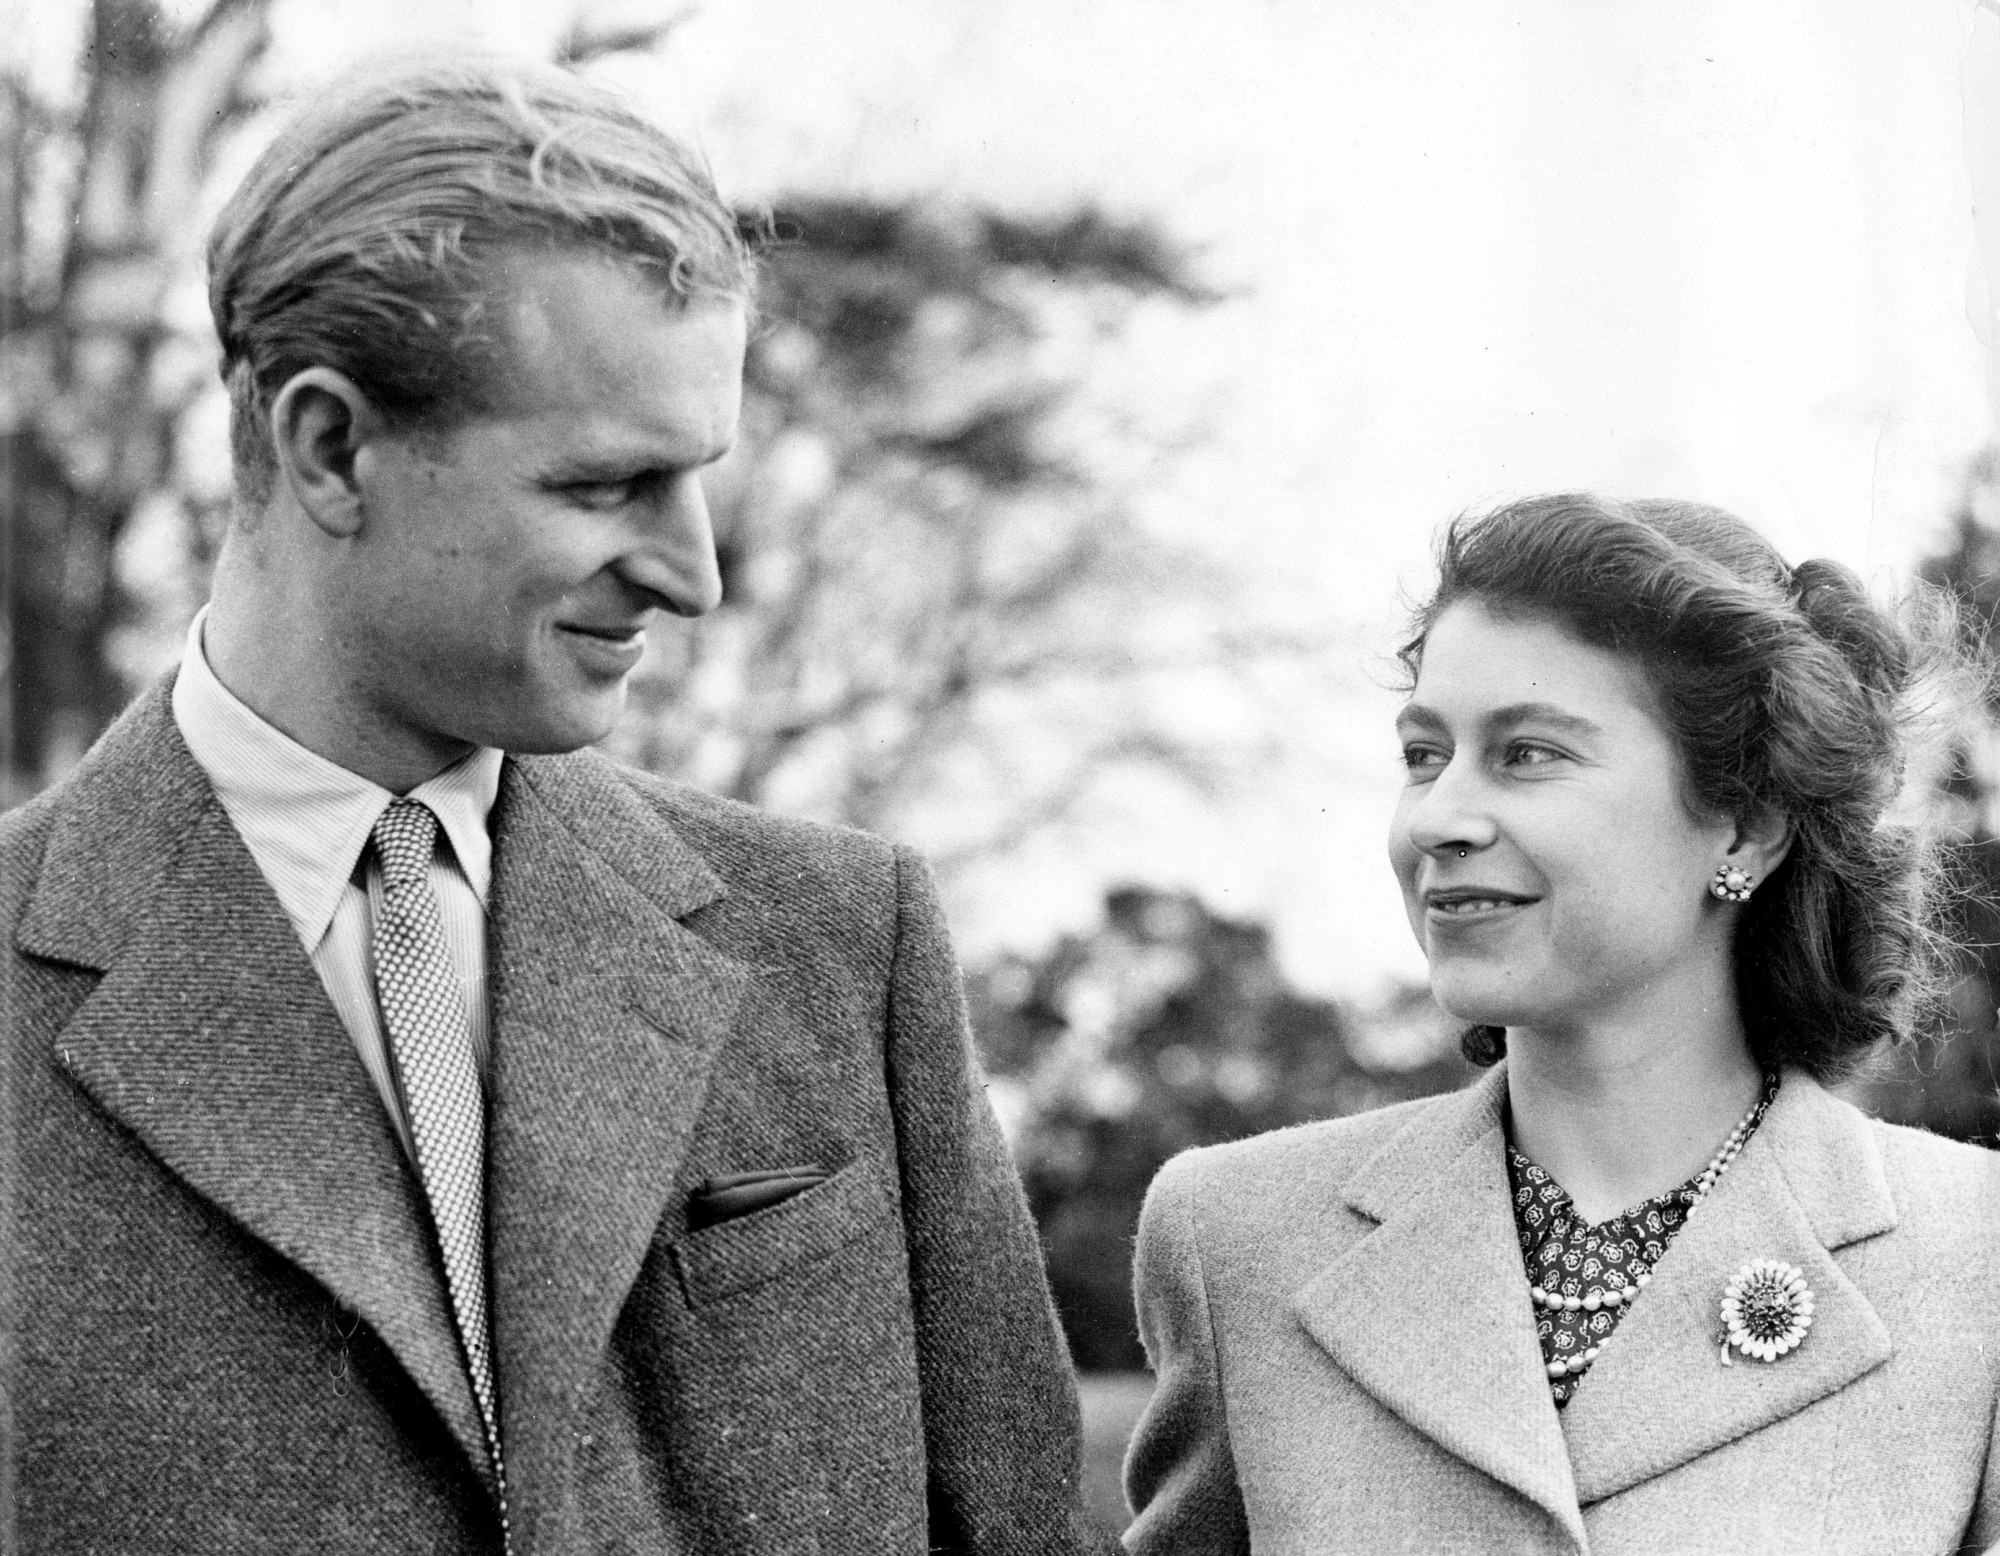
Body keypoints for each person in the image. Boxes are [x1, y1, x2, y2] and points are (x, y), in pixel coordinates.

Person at [2, 57, 1106, 1555]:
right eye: (607, 487)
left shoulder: (846, 945)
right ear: (332, 447)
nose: (695, 573)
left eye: (699, 478)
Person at [1121, 494, 2000, 1555]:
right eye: (1422, 752)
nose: (1437, 817)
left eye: (1527, 752)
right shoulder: (1235, 1242)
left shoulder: (1974, 1261)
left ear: (1747, 822)